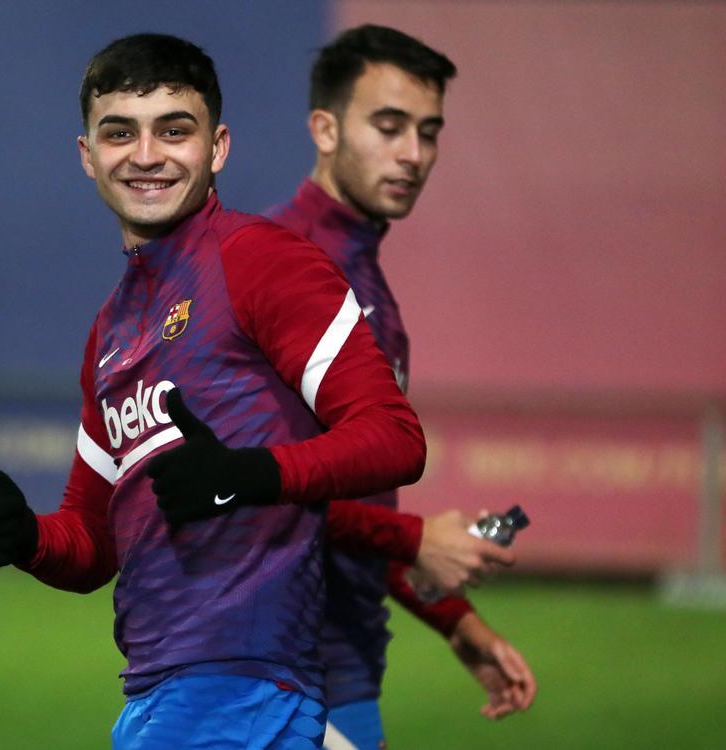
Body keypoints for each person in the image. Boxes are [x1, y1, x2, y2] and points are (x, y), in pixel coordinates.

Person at [0, 33, 429, 748]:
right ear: (88, 156)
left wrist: (252, 474)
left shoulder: (261, 259)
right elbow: (91, 543)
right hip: (157, 689)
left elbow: (395, 437)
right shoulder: (111, 329)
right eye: (120, 133)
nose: (146, 155)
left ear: (218, 148)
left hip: (245, 687)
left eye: (174, 130)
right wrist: (24, 537)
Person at [266, 25, 538, 749]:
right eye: (388, 127)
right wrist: (417, 537)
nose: (413, 155)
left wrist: (455, 621)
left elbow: (341, 501)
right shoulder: (285, 269)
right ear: (325, 128)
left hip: (339, 669)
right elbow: (257, 486)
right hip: (276, 675)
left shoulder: (361, 276)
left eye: (428, 132)